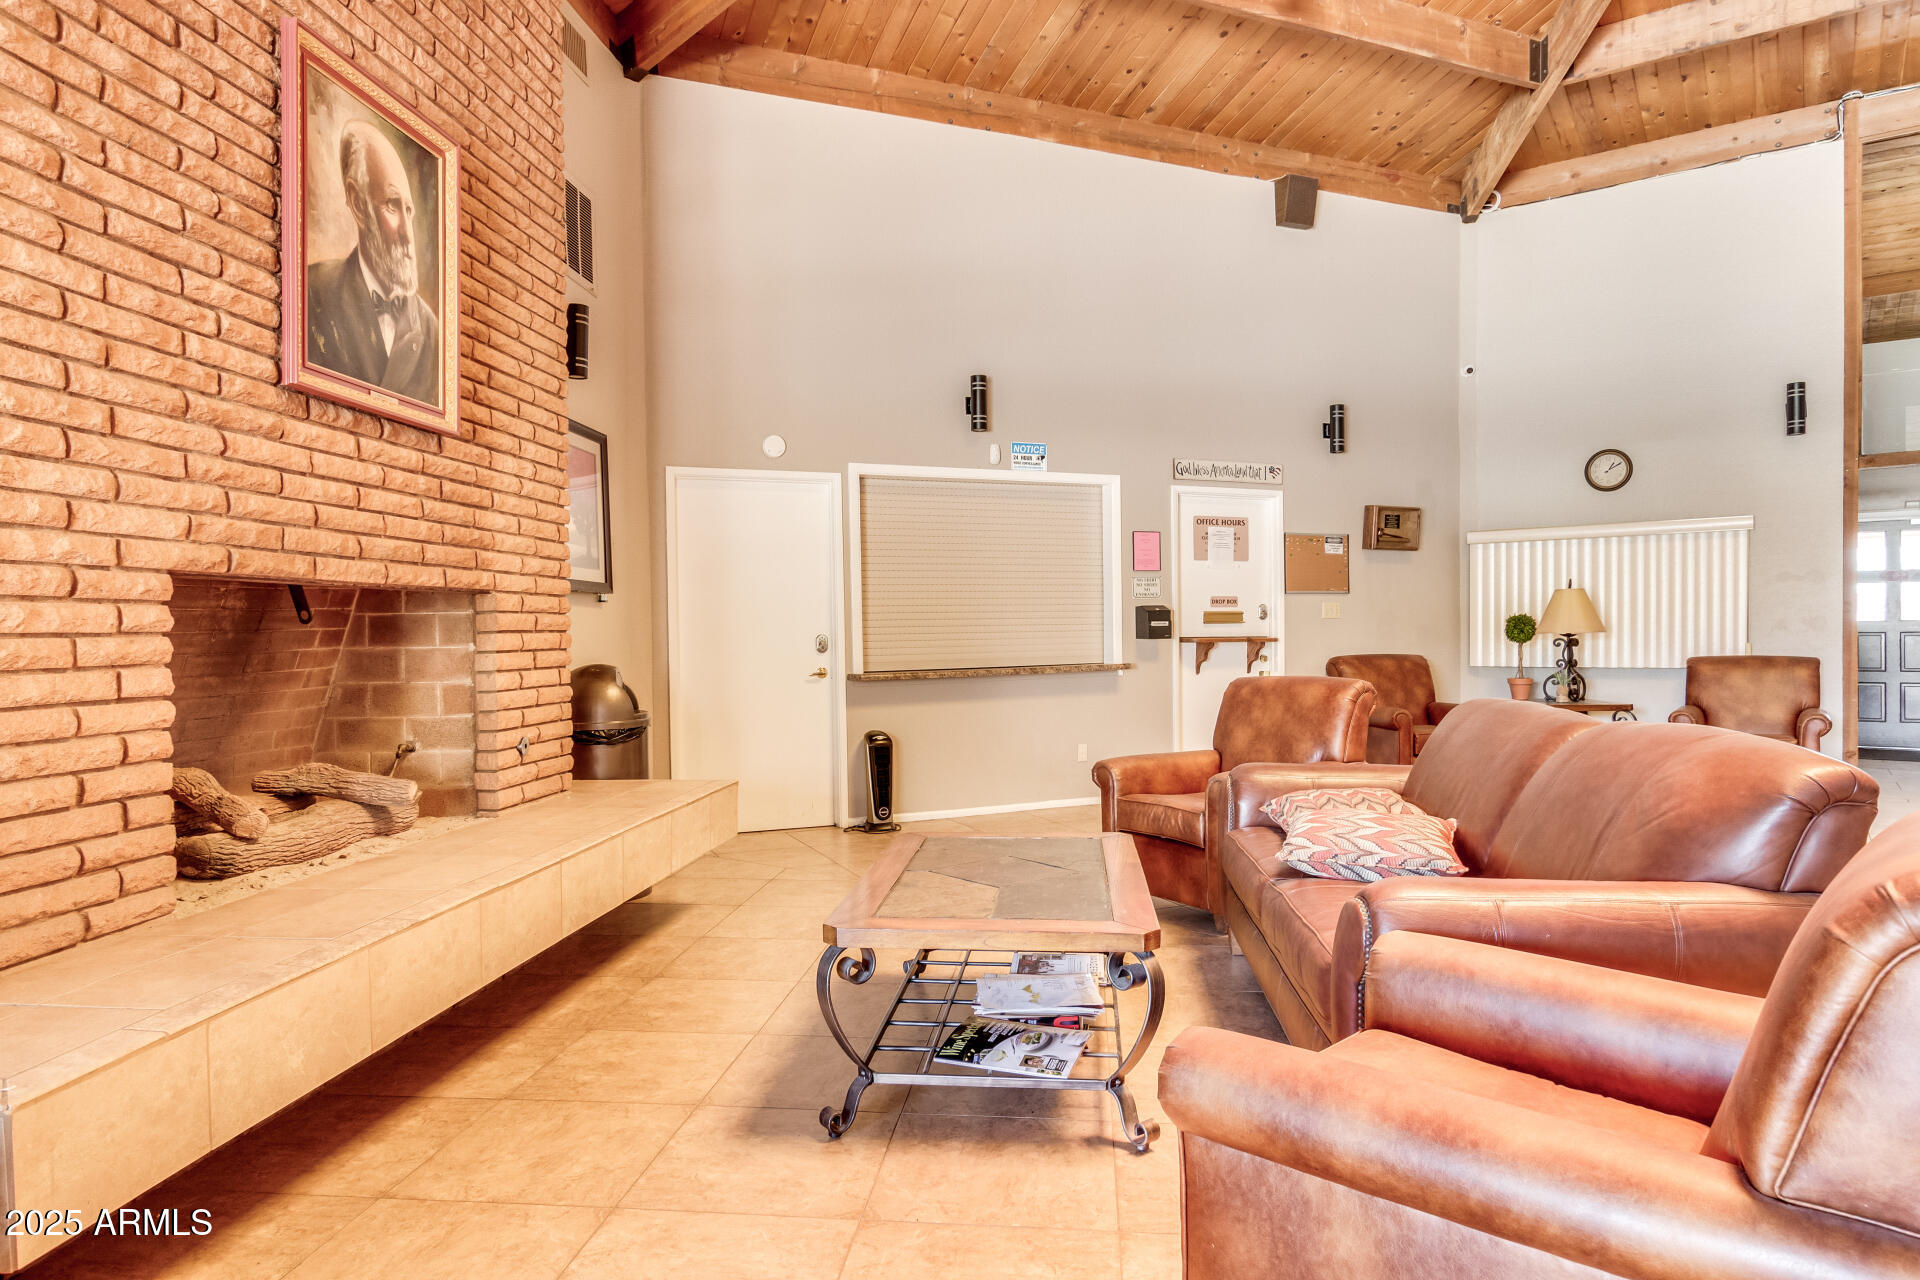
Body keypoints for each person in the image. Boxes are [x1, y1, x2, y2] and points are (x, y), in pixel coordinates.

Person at [304, 119, 441, 406]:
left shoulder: (432, 331)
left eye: (409, 210)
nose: (407, 234)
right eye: (392, 205)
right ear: (357, 204)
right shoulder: (313, 292)